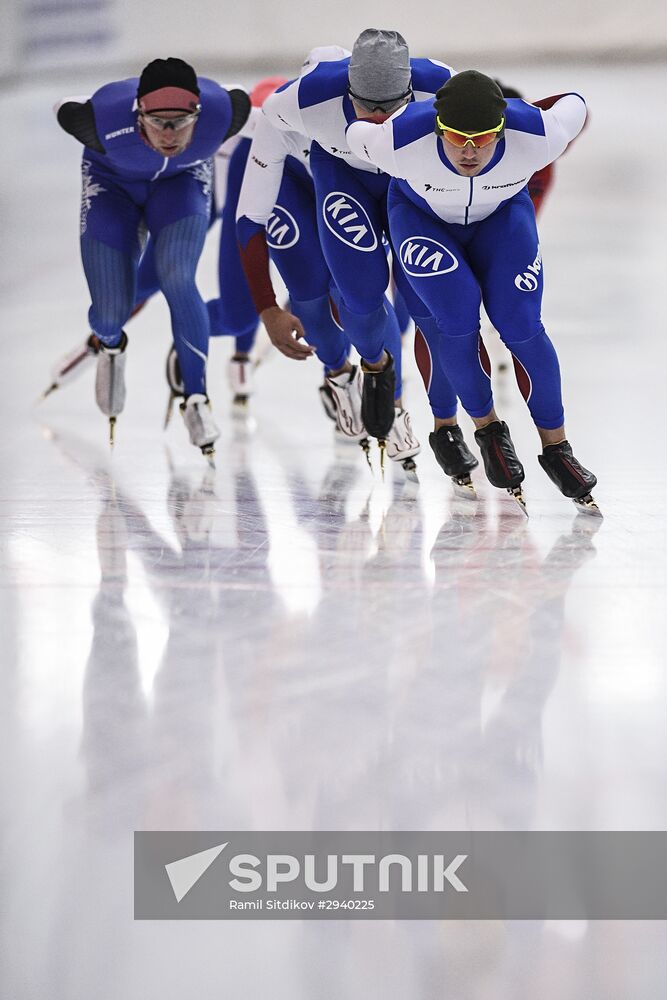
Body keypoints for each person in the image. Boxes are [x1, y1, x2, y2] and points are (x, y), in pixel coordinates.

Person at [347, 70, 599, 514]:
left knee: (522, 325)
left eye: (482, 138)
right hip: (421, 220)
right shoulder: (398, 140)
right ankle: (487, 431)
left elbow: (575, 101)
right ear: (437, 126)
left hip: (501, 220)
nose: (468, 150)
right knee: (456, 322)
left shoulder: (538, 134)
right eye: (455, 137)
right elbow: (354, 130)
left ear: (501, 128)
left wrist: (529, 108)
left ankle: (557, 449)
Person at [262, 29, 469, 470]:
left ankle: (405, 404)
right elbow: (255, 180)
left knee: (412, 299)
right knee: (330, 292)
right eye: (363, 105)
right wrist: (264, 304)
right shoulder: (298, 103)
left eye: (388, 105)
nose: (375, 116)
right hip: (317, 182)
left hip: (390, 181)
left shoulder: (437, 86)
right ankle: (346, 376)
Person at [237, 46, 420, 473]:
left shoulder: (377, 111)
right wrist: (266, 307)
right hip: (293, 185)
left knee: (357, 288)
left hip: (341, 181)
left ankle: (387, 396)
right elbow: (248, 221)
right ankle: (339, 376)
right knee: (308, 288)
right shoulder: (280, 112)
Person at [55, 57, 250, 457]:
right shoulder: (98, 119)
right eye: (157, 120)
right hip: (111, 187)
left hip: (182, 185)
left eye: (181, 121)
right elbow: (63, 106)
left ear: (199, 112)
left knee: (178, 277)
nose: (169, 134)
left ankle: (196, 400)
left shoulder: (225, 112)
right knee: (110, 314)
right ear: (137, 112)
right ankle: (110, 346)